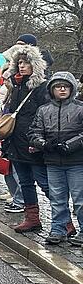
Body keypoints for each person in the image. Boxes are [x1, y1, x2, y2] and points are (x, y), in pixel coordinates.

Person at [0, 44, 50, 233]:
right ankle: (32, 218)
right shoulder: (15, 85)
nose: (22, 66)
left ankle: (64, 221)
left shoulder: (41, 88)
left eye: (26, 62)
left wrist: (38, 141)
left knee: (44, 183)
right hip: (16, 142)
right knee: (25, 182)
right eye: (19, 62)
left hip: (33, 143)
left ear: (34, 65)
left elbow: (45, 116)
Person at [28, 72, 83, 246]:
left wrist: (70, 145)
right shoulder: (44, 110)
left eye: (65, 86)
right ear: (52, 90)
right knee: (57, 198)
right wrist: (44, 144)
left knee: (79, 199)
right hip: (53, 162)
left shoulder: (80, 108)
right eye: (58, 86)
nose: (62, 89)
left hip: (76, 162)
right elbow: (34, 132)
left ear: (71, 88)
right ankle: (58, 229)